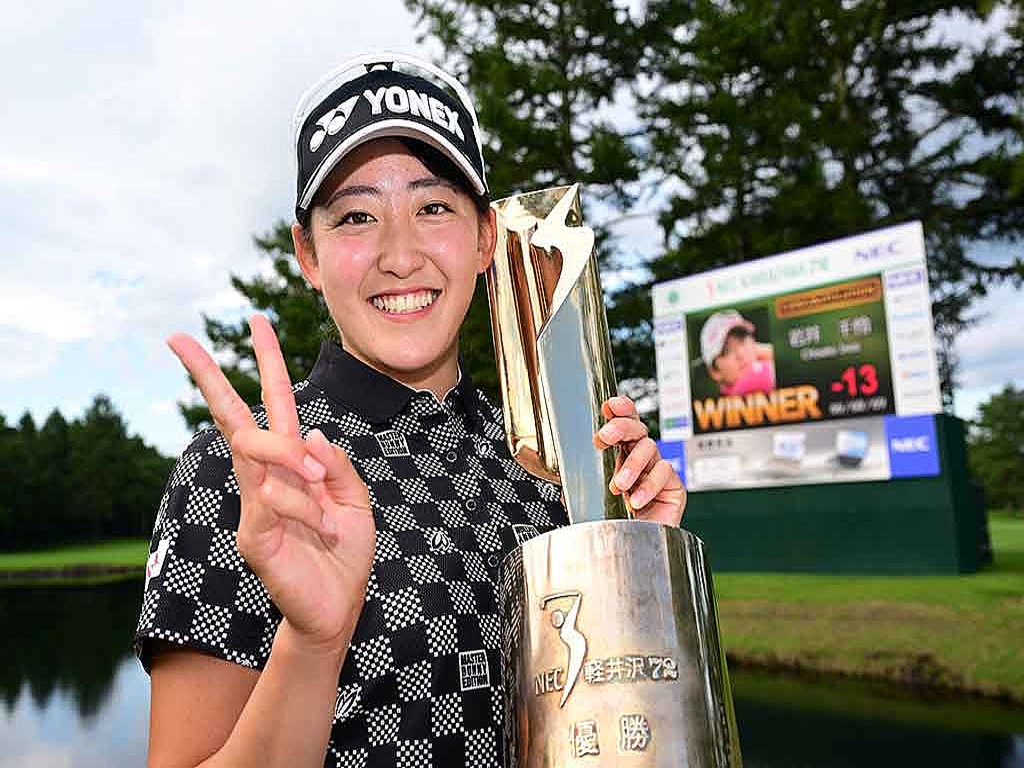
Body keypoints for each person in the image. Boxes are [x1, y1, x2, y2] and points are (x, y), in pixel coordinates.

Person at [136, 52, 686, 768]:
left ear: (485, 237)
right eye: (356, 216)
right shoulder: (240, 474)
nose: (400, 255)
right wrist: (313, 643)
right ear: (308, 255)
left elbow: (610, 729)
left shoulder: (551, 461)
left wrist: (637, 560)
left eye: (433, 208)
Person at [700, 309, 776, 396]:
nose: (740, 354)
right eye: (727, 351)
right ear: (715, 372)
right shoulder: (750, 382)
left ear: (753, 341)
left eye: (742, 341)